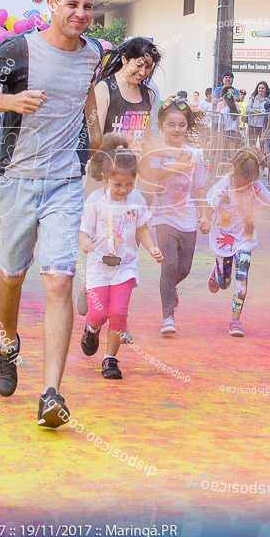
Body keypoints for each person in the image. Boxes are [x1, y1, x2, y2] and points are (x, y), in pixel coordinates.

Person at [0, 0, 104, 428]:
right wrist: (7, 103)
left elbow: (83, 96)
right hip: (16, 180)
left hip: (64, 181)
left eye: (88, 6)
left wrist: (95, 133)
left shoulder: (94, 54)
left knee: (59, 280)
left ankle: (51, 393)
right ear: (52, 4)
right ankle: (6, 341)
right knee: (11, 276)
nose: (81, 14)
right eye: (73, 4)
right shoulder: (19, 50)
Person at [78, 134, 163, 379]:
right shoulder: (95, 201)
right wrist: (84, 241)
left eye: (129, 185)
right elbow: (84, 230)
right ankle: (91, 328)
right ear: (106, 179)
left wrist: (152, 248)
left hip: (125, 267)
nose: (123, 190)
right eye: (117, 185)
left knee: (118, 313)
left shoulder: (135, 200)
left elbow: (142, 227)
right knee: (99, 314)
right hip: (98, 267)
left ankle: (110, 359)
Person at [142, 99, 211, 335]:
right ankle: (167, 317)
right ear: (161, 126)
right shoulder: (156, 153)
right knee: (169, 264)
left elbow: (199, 187)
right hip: (163, 216)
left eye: (181, 125)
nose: (176, 130)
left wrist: (204, 215)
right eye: (171, 125)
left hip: (188, 217)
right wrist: (175, 164)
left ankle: (169, 288)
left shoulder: (194, 155)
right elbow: (152, 175)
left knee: (184, 268)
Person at [207, 147, 270, 337]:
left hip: (245, 239)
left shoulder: (256, 186)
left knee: (242, 278)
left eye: (249, 184)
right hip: (223, 241)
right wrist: (204, 220)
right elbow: (209, 208)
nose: (245, 188)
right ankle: (218, 273)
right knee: (224, 283)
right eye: (242, 183)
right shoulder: (222, 186)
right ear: (233, 174)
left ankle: (235, 320)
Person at [88, 37, 158, 152]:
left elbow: (147, 139)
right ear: (124, 59)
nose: (142, 72)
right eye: (138, 65)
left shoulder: (147, 94)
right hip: (109, 165)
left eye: (147, 67)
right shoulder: (105, 89)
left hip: (136, 166)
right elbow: (96, 139)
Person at [217, 87, 242, 154]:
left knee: (223, 151)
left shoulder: (223, 111)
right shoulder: (235, 110)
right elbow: (237, 124)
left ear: (225, 100)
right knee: (232, 151)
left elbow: (222, 123)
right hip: (234, 133)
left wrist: (220, 134)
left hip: (225, 133)